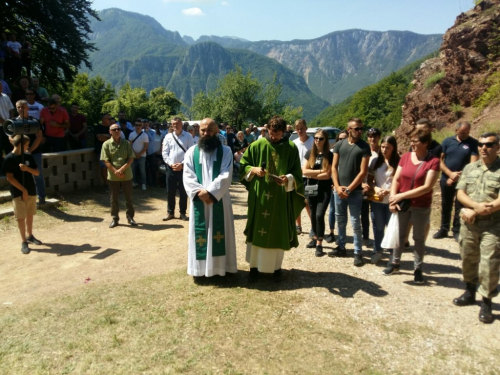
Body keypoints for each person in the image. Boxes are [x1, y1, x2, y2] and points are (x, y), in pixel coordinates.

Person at [239, 115, 305, 282]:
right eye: (271, 133)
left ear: (283, 132)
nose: (274, 136)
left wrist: (287, 179)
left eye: (278, 134)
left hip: (280, 198)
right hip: (259, 197)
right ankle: (253, 268)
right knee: (257, 229)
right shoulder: (256, 145)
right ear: (267, 129)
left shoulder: (290, 148)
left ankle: (276, 269)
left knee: (277, 230)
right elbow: (243, 166)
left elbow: (297, 174)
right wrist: (253, 170)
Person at [453, 132, 500, 324]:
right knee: (468, 257)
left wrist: (477, 210)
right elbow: (460, 193)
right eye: (480, 144)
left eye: (488, 144)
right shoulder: (470, 168)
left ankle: (486, 302)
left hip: (493, 225)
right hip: (469, 224)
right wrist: (474, 207)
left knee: (489, 263)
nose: (483, 148)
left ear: (498, 147)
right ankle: (470, 291)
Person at [183, 118, 237, 279]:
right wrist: (200, 192)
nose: (206, 133)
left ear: (216, 132)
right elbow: (188, 175)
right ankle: (199, 270)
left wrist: (211, 192)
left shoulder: (226, 151)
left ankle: (221, 269)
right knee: (200, 233)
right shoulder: (191, 152)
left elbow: (226, 174)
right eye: (203, 130)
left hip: (218, 199)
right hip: (199, 200)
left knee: (220, 234)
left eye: (210, 130)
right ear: (199, 131)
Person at [384, 129, 440, 284]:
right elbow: (396, 179)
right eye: (412, 141)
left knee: (418, 238)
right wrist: (393, 198)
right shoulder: (406, 157)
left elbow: (427, 187)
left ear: (426, 143)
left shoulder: (433, 162)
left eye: (416, 141)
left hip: (420, 205)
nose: (412, 144)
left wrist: (401, 196)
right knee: (400, 235)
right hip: (403, 204)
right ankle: (395, 263)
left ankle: (418, 269)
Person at [330, 118, 371, 266]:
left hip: (354, 192)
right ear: (349, 130)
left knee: (355, 223)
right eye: (357, 129)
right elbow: (334, 167)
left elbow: (363, 172)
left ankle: (357, 252)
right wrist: (337, 186)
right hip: (339, 191)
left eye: (361, 128)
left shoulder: (364, 147)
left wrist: (348, 189)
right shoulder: (339, 145)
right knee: (340, 220)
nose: (360, 131)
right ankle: (341, 247)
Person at [433, 121, 478, 242]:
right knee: (445, 204)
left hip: (463, 180)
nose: (465, 135)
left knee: (459, 205)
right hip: (446, 178)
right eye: (462, 132)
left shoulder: (473, 143)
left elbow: (473, 163)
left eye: (467, 132)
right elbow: (439, 160)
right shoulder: (447, 141)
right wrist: (450, 174)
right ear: (456, 130)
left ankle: (456, 230)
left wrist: (459, 176)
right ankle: (443, 228)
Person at [1, 134, 42, 254]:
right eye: (27, 144)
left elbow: (37, 172)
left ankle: (30, 235)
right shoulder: (9, 158)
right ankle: (23, 241)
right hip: (18, 191)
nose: (28, 146)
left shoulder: (28, 156)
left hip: (31, 189)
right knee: (21, 217)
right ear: (20, 145)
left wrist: (27, 169)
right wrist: (23, 190)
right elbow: (9, 178)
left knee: (30, 214)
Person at [367, 136, 400, 263]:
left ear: (393, 148)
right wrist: (375, 189)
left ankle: (392, 254)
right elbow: (369, 180)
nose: (384, 150)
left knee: (392, 228)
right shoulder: (375, 161)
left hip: (392, 200)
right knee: (378, 227)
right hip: (377, 200)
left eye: (388, 148)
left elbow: (401, 182)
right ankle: (378, 251)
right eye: (383, 147)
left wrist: (390, 190)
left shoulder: (398, 163)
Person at [302, 129, 333, 257]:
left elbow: (328, 175)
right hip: (311, 189)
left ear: (325, 140)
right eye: (316, 138)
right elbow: (304, 171)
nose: (317, 140)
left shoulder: (330, 155)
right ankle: (315, 238)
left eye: (321, 138)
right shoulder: (310, 153)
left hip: (324, 190)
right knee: (313, 215)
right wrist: (320, 172)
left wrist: (312, 173)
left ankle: (319, 243)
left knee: (320, 215)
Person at [101, 123, 136, 228]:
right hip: (113, 176)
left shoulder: (126, 143)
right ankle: (115, 218)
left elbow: (131, 158)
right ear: (110, 131)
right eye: (114, 129)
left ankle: (130, 218)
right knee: (114, 198)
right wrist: (115, 171)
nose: (117, 131)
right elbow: (105, 160)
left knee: (128, 198)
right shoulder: (106, 144)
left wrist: (121, 169)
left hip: (127, 174)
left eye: (118, 129)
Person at [162, 116, 195, 221]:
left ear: (182, 124)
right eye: (173, 124)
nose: (175, 126)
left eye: (177, 124)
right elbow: (165, 152)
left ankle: (182, 213)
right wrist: (171, 164)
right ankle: (170, 212)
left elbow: (191, 153)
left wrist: (182, 164)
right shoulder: (168, 137)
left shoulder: (188, 136)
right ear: (171, 125)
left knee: (183, 191)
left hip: (184, 168)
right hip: (170, 168)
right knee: (170, 191)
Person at [16, 100, 46, 205]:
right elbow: (11, 137)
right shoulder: (13, 121)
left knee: (38, 174)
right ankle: (22, 196)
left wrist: (29, 150)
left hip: (34, 152)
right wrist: (19, 149)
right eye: (18, 107)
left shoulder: (34, 121)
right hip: (19, 153)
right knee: (19, 175)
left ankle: (41, 197)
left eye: (23, 107)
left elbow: (39, 137)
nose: (20, 109)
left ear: (27, 108)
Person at [292, 119, 314, 235]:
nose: (300, 131)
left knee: (308, 203)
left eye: (302, 128)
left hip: (309, 177)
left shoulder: (313, 142)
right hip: (297, 177)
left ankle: (313, 227)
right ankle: (298, 226)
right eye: (298, 129)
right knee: (297, 201)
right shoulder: (294, 143)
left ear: (306, 128)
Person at [325, 130, 347, 243]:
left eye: (344, 138)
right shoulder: (333, 152)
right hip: (334, 185)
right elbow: (331, 169)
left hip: (347, 185)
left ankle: (341, 235)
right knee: (333, 209)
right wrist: (333, 183)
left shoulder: (349, 151)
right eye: (340, 139)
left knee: (344, 212)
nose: (342, 141)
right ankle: (331, 232)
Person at [361, 127, 381, 247]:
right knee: (364, 214)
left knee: (376, 215)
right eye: (370, 136)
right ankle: (365, 237)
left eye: (375, 136)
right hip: (364, 187)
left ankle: (379, 239)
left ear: (379, 137)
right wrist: (362, 184)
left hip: (377, 188)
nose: (372, 138)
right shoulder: (364, 151)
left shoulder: (382, 152)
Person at [129, 119, 149, 191]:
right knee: (132, 169)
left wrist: (139, 154)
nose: (138, 127)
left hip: (142, 155)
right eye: (136, 125)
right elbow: (130, 145)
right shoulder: (131, 134)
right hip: (133, 155)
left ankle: (143, 184)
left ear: (142, 126)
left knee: (142, 170)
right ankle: (134, 182)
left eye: (139, 125)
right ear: (134, 126)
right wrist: (134, 153)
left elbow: (146, 146)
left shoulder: (145, 135)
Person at [94, 113, 113, 192]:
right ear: (103, 119)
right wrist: (109, 137)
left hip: (112, 151)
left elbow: (115, 139)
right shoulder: (97, 127)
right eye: (108, 119)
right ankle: (106, 185)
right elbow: (100, 138)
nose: (110, 120)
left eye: (110, 118)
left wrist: (105, 136)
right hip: (101, 151)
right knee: (104, 168)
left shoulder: (112, 128)